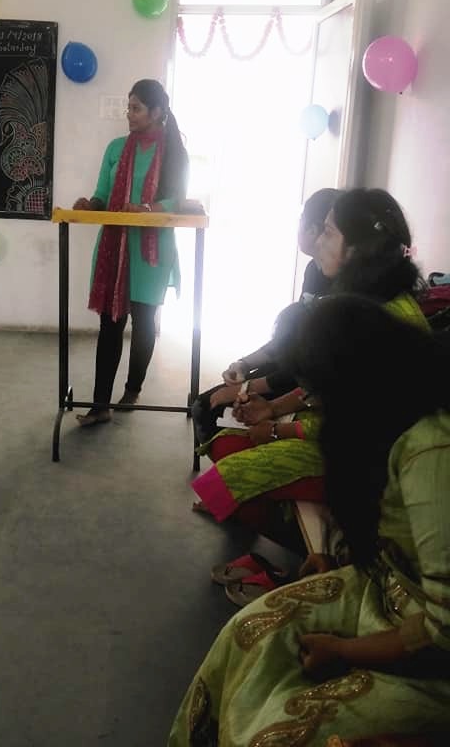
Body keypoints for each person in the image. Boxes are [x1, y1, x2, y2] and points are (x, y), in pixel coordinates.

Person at [168, 295, 450, 746]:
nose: (315, 404)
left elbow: (442, 630)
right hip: (383, 589)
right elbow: (396, 536)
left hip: (429, 654)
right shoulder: (384, 411)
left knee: (274, 734)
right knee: (244, 634)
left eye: (320, 395)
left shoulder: (430, 451)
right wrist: (340, 559)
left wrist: (345, 650)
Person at [191, 189, 429, 539]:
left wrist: (276, 429)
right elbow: (326, 387)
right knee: (226, 447)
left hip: (377, 463)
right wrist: (271, 408)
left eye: (328, 232)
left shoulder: (377, 321)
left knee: (225, 476)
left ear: (357, 250)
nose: (318, 242)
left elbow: (358, 425)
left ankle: (325, 550)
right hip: (350, 438)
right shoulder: (364, 300)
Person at [72, 79, 191, 426]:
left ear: (156, 111)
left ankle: (133, 388)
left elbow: (176, 200)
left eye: (136, 108)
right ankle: (100, 406)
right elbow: (102, 193)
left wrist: (147, 209)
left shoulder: (173, 151)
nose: (129, 113)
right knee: (110, 324)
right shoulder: (115, 148)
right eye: (129, 107)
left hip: (152, 251)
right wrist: (90, 204)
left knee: (143, 321)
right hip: (115, 247)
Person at [192, 188, 341, 446]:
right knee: (206, 406)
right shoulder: (314, 270)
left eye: (328, 232)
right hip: (293, 370)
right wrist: (244, 364)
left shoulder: (345, 293)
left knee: (211, 409)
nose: (320, 240)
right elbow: (290, 340)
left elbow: (311, 371)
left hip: (303, 381)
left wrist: (247, 389)